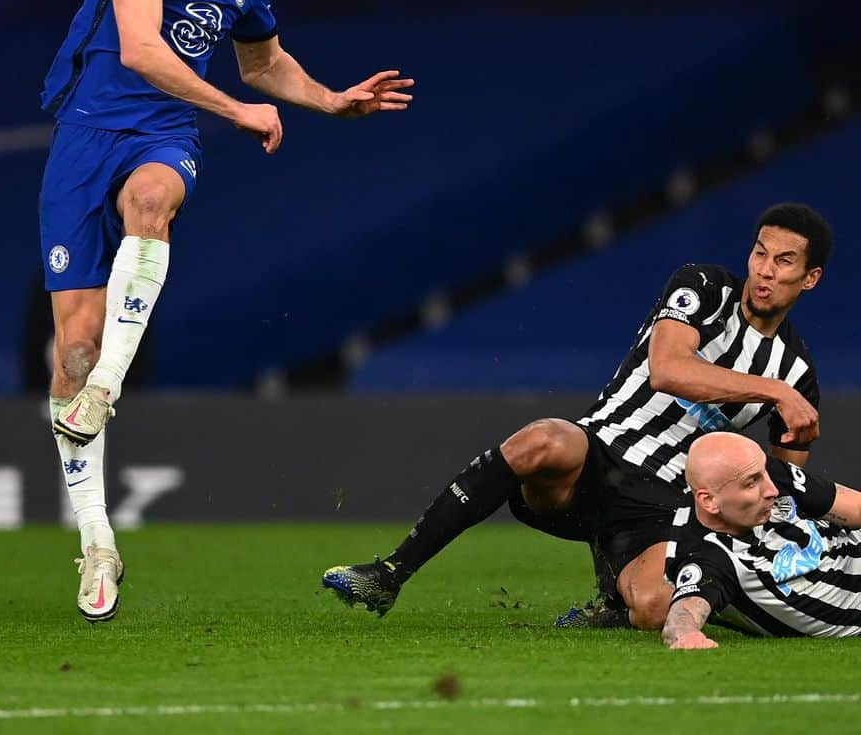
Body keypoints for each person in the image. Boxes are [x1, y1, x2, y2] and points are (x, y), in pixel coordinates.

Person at [38, 0, 414, 621]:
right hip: (86, 131)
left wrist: (329, 100)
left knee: (154, 200)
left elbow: (263, 60)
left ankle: (106, 386)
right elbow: (138, 47)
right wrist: (239, 111)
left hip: (162, 133)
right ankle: (97, 539)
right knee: (70, 346)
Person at [323, 203, 831, 630]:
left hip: (664, 511)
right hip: (593, 460)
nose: (765, 270)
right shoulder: (705, 288)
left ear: (810, 279)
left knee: (655, 606)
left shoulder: (797, 373)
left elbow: (781, 487)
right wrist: (773, 391)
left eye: (784, 262)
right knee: (544, 438)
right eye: (760, 253)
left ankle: (613, 600)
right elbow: (668, 369)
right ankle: (390, 573)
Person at [663, 433, 861, 646]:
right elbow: (683, 615)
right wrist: (687, 636)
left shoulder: (763, 472)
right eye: (751, 484)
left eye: (765, 472)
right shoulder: (707, 556)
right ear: (709, 501)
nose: (772, 490)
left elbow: (855, 508)